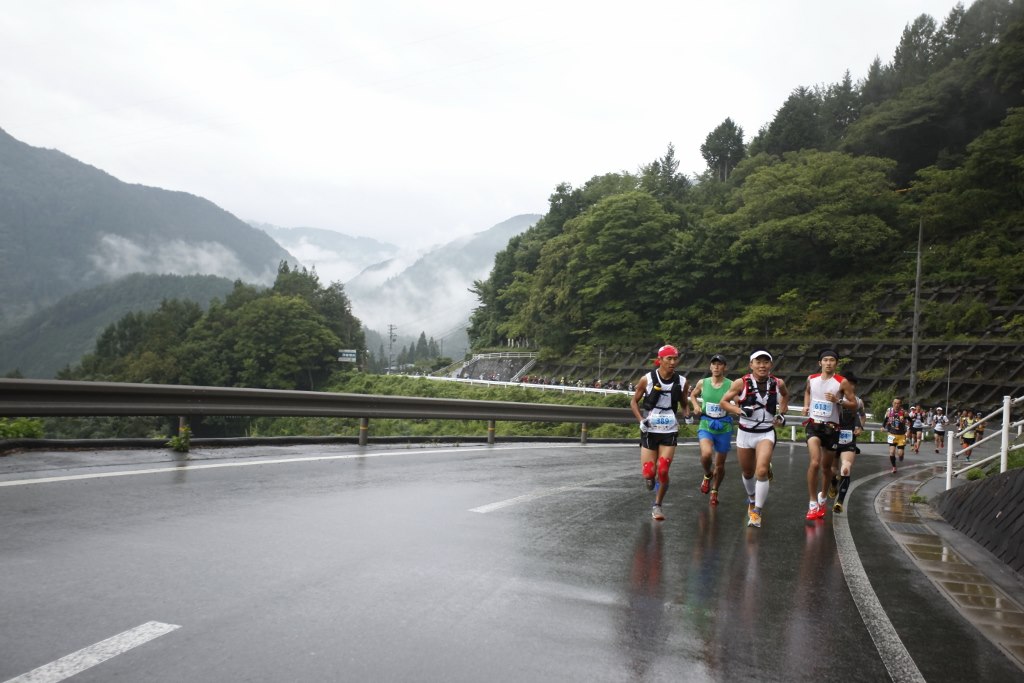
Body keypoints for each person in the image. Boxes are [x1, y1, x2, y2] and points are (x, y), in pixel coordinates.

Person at [719, 350, 790, 528]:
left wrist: (781, 413)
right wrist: (739, 410)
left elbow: (785, 395)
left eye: (766, 362)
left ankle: (757, 511)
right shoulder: (741, 382)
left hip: (766, 432)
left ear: (771, 365)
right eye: (758, 362)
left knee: (761, 471)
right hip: (745, 433)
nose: (762, 366)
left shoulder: (778, 382)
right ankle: (752, 498)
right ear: (751, 364)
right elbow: (723, 402)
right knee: (748, 472)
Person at [630, 344, 691, 521]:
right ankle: (649, 478)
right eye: (669, 359)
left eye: (675, 359)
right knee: (649, 472)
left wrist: (687, 415)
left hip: (669, 429)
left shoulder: (682, 381)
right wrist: (641, 421)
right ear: (660, 360)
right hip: (650, 429)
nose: (673, 362)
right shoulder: (647, 379)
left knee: (663, 470)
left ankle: (657, 505)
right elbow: (634, 402)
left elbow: (684, 403)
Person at [801, 349, 854, 520]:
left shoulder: (842, 382)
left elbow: (854, 403)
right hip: (814, 426)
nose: (828, 363)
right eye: (825, 360)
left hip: (832, 429)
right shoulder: (811, 378)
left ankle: (822, 497)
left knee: (826, 468)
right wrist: (806, 405)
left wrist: (837, 401)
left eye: (832, 360)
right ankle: (812, 503)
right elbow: (807, 392)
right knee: (815, 462)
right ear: (820, 363)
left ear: (836, 363)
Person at [689, 353, 734, 506]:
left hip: (724, 426)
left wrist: (737, 408)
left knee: (720, 465)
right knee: (706, 454)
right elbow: (693, 395)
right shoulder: (703, 382)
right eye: (714, 364)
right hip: (706, 423)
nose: (716, 367)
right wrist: (696, 406)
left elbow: (737, 401)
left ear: (724, 367)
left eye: (719, 364)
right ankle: (707, 474)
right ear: (710, 366)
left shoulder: (731, 385)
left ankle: (715, 491)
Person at [832, 371, 865, 513]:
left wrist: (860, 427)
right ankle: (833, 483)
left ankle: (839, 502)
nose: (850, 386)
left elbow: (862, 415)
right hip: (833, 436)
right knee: (832, 470)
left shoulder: (858, 401)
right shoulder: (833, 397)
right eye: (847, 383)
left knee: (846, 467)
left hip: (848, 438)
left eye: (852, 384)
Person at [883, 397, 908, 473]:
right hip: (892, 434)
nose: (896, 405)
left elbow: (910, 420)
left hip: (901, 435)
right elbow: (885, 420)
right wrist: (883, 426)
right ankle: (894, 467)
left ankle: (901, 455)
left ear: (900, 404)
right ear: (892, 403)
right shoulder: (889, 411)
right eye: (895, 403)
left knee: (900, 453)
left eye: (898, 403)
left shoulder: (903, 412)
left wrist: (907, 423)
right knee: (892, 452)